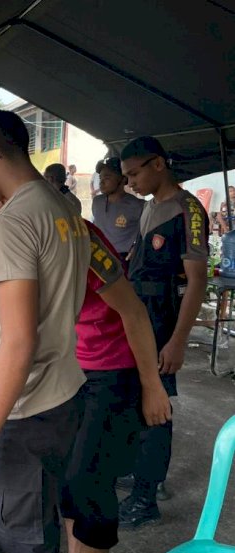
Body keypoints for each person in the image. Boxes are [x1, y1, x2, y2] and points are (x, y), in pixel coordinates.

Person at [0, 187, 171, 553]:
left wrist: (152, 385)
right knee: (68, 488)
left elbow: (133, 312)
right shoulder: (9, 249)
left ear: (5, 206)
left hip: (108, 368)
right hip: (67, 371)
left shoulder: (74, 236)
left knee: (88, 491)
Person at [0, 109, 90, 553]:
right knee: (43, 523)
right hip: (64, 397)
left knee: (20, 541)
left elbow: (19, 340)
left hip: (24, 413)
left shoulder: (13, 223)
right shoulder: (63, 207)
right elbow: (21, 318)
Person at [118, 136, 208, 529]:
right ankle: (140, 474)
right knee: (136, 399)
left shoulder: (188, 210)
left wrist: (178, 340)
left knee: (157, 408)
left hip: (163, 319)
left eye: (134, 173)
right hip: (139, 315)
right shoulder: (151, 207)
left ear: (158, 164)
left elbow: (197, 281)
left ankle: (145, 499)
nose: (130, 182)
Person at [91, 157, 144, 261]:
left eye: (107, 178)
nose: (101, 182)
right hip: (98, 257)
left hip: (123, 259)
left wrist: (136, 248)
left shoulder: (137, 205)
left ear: (123, 179)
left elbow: (146, 234)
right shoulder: (97, 202)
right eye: (100, 178)